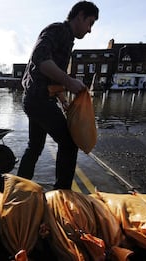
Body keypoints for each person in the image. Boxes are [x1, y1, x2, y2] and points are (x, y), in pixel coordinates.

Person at [17, 1, 99, 189]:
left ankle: (18, 189)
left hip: (36, 98)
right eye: (90, 23)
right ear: (80, 16)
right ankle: (62, 195)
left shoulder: (68, 39)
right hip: (38, 100)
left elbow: (51, 76)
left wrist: (62, 99)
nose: (90, 30)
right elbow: (41, 59)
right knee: (69, 143)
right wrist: (69, 82)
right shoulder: (57, 30)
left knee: (35, 147)